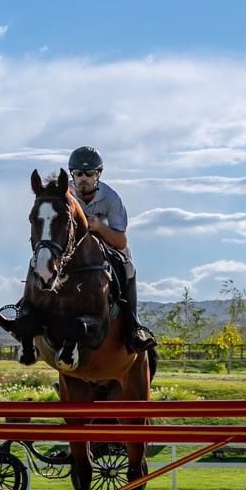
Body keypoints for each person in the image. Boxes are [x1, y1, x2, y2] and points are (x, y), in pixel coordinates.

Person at [67, 146, 156, 353]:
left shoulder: (111, 198)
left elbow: (121, 241)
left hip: (107, 246)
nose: (83, 178)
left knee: (129, 268)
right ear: (72, 175)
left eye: (89, 173)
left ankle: (133, 326)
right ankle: (27, 310)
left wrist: (99, 227)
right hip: (74, 249)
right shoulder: (66, 194)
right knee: (43, 259)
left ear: (98, 174)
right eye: (78, 173)